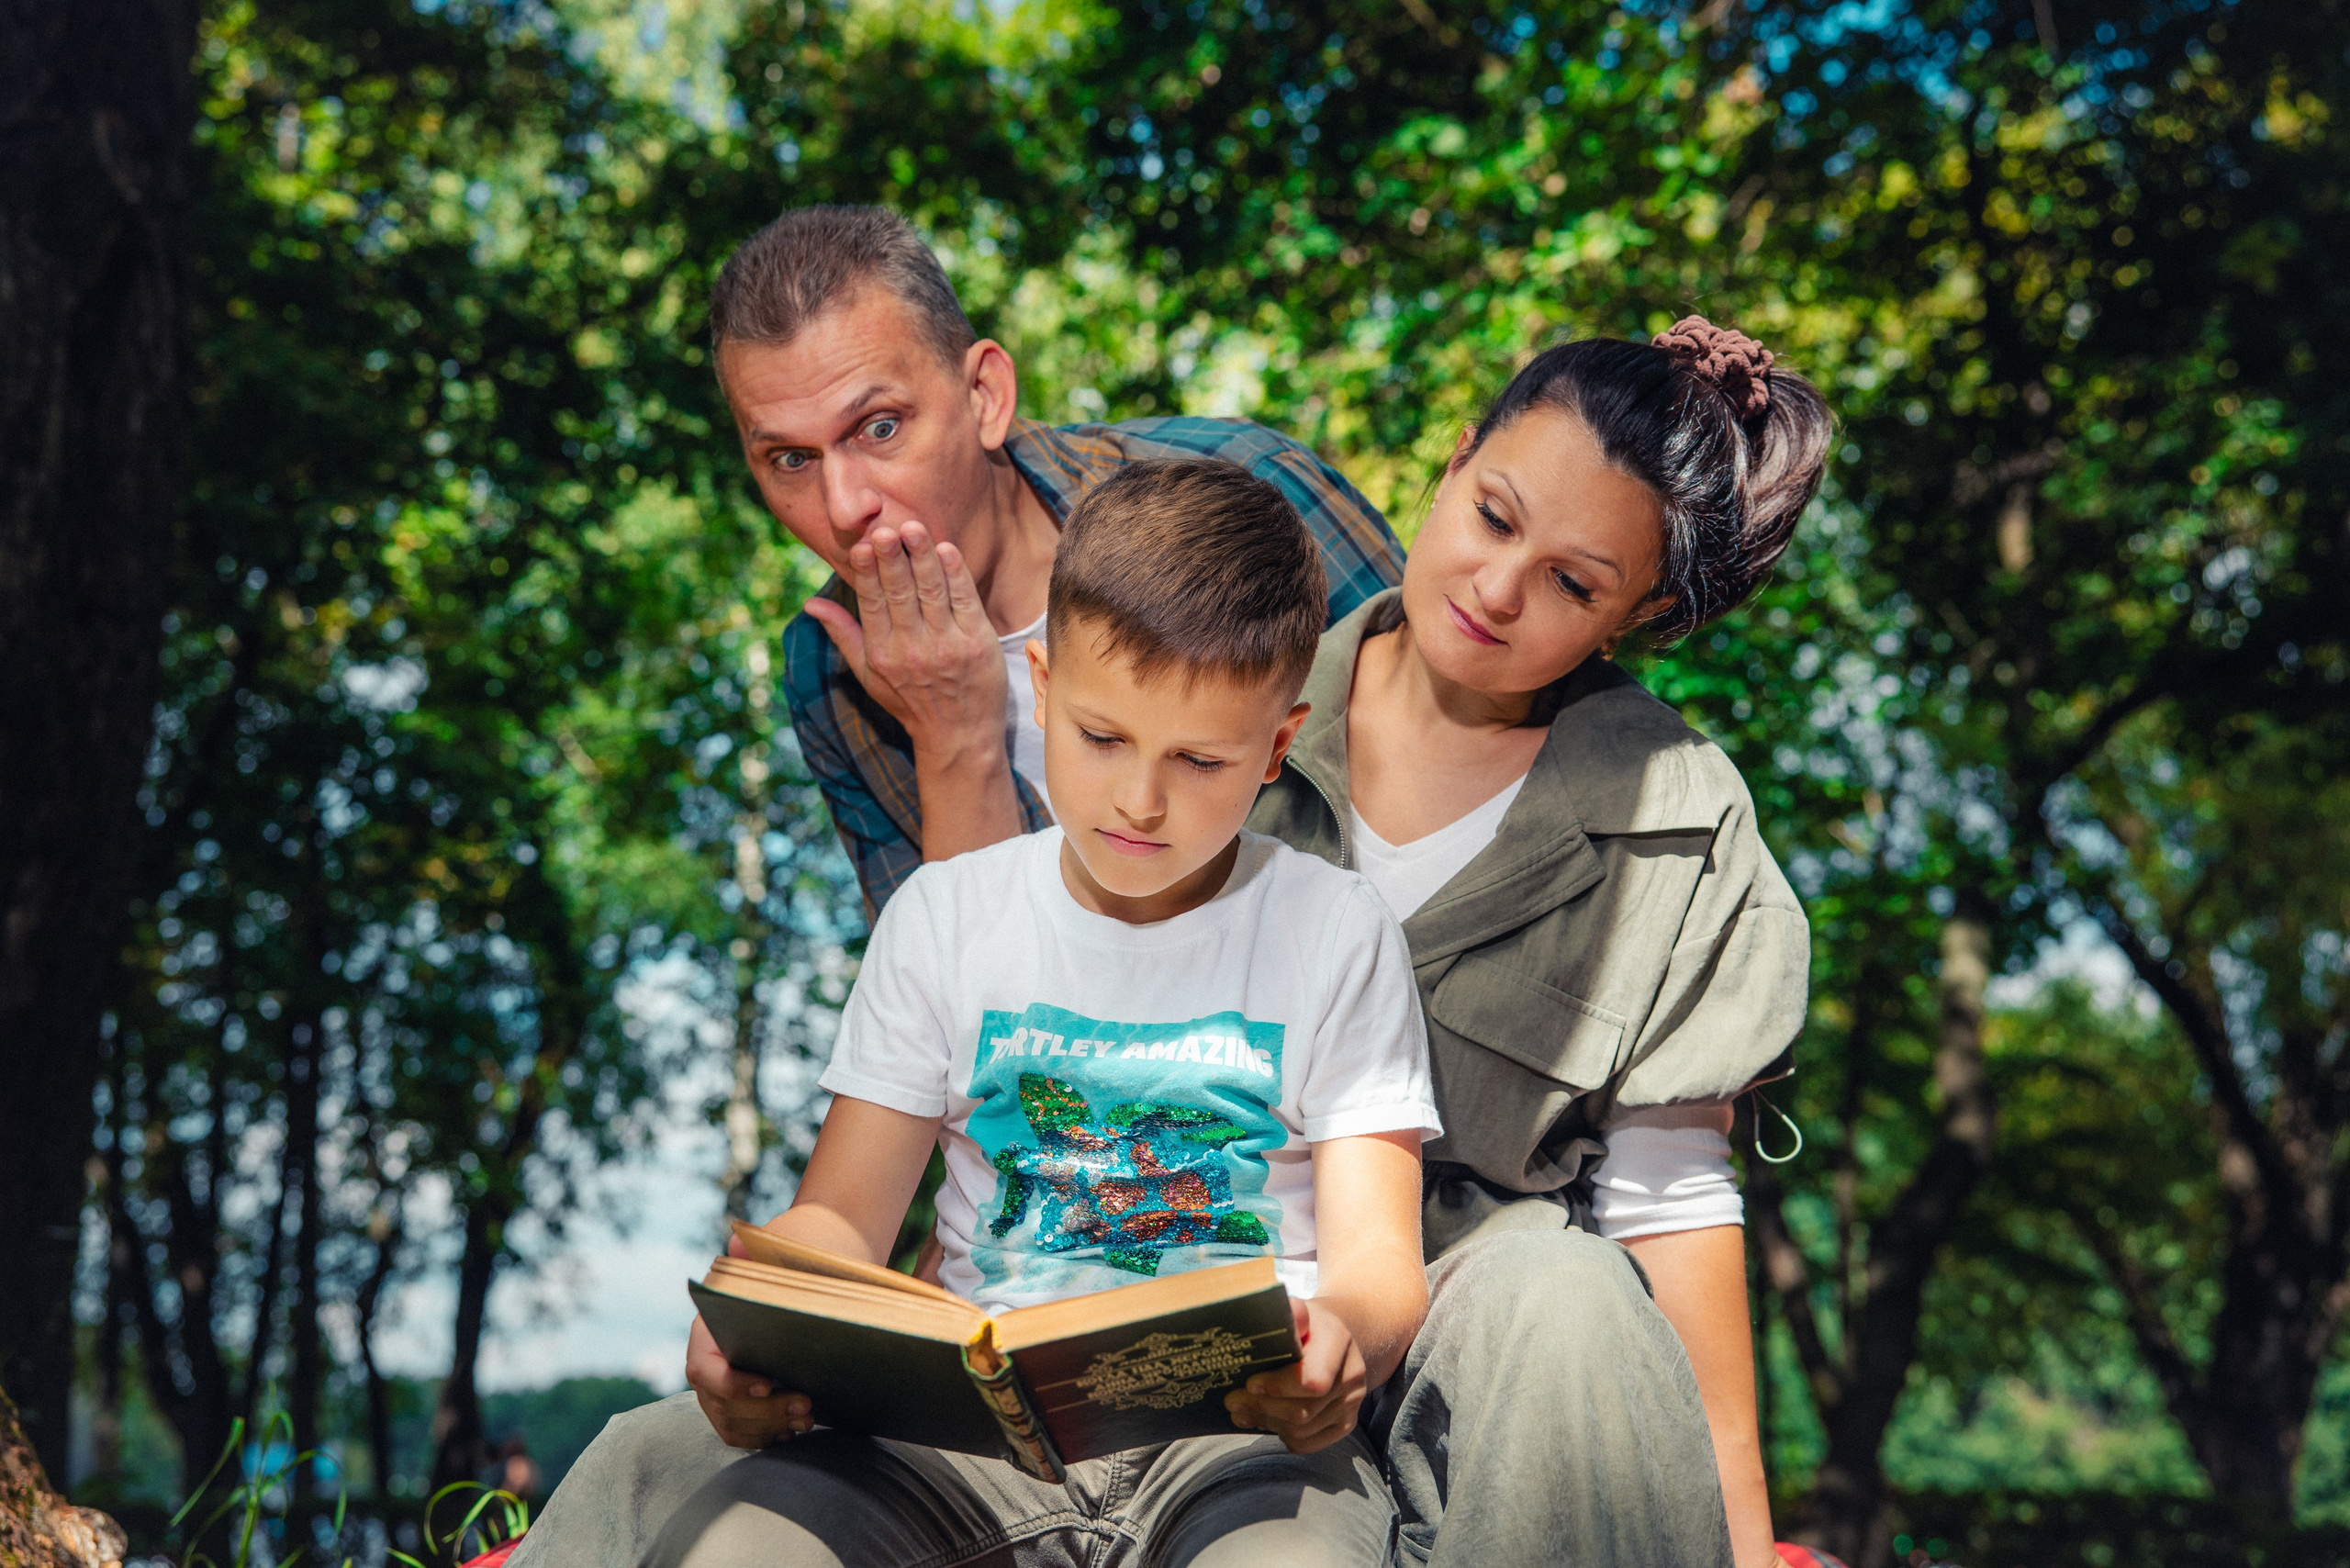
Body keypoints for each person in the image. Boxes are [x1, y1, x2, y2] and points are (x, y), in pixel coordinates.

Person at [520, 461, 1440, 1567]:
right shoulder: (947, 917)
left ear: (1279, 746)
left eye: (1200, 760)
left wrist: (1341, 1339)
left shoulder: (1334, 929)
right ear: (1040, 687)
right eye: (1101, 738)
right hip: (960, 1450)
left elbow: (1379, 1262)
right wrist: (765, 1304)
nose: (1140, 799)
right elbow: (841, 1219)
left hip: (1243, 1446)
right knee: (740, 1547)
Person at [1244, 317, 1832, 1566]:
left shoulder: (1679, 816)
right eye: (1494, 516)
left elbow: (1671, 1199)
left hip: (1495, 1348)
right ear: (1453, 459)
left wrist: (1746, 1542)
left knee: (1565, 1293)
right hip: (1232, 1289)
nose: (1497, 588)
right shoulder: (1229, 703)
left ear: (1639, 612)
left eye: (1573, 582)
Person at [711, 204, 1403, 915]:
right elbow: (953, 977)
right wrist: (954, 738)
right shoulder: (829, 672)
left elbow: (1461, 736)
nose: (844, 505)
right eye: (790, 459)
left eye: (879, 427)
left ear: (984, 397)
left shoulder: (1245, 478)